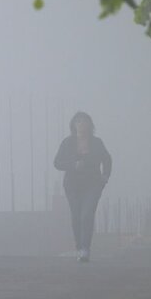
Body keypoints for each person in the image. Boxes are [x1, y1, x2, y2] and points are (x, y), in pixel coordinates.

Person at [53, 111, 112, 262]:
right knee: (76, 215)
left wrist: (105, 176)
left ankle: (86, 248)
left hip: (92, 184)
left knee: (87, 214)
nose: (81, 124)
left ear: (89, 124)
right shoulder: (67, 142)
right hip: (72, 185)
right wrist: (73, 165)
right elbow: (57, 163)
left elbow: (107, 159)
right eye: (78, 121)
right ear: (73, 124)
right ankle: (79, 246)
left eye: (84, 121)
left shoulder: (97, 142)